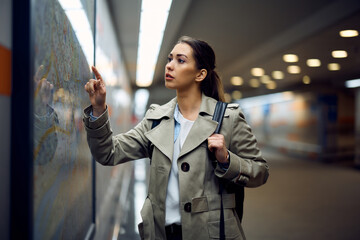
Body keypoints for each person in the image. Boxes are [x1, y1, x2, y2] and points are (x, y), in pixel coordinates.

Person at [83, 36, 269, 240]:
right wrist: (99, 108)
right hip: (162, 234)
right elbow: (108, 153)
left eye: (180, 60)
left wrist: (227, 160)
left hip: (211, 234)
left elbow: (260, 171)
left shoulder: (228, 118)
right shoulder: (155, 119)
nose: (170, 66)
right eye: (170, 59)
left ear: (200, 74)